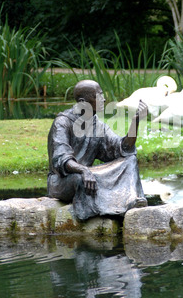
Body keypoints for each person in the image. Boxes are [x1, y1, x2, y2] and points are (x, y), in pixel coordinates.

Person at [47, 79, 148, 220]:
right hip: (63, 180)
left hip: (89, 175)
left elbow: (122, 148)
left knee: (130, 160)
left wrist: (135, 122)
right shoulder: (62, 122)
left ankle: (132, 199)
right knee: (79, 179)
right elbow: (61, 159)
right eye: (98, 95)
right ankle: (100, 210)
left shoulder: (97, 125)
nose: (104, 99)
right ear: (83, 102)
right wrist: (83, 170)